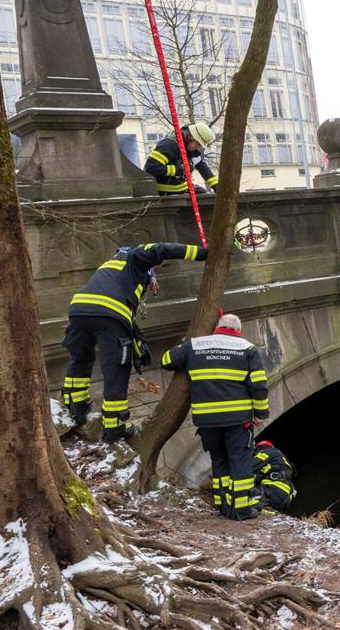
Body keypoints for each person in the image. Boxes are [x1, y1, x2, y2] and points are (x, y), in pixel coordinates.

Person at [63, 242, 207, 442]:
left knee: (80, 359)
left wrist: (135, 334)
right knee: (116, 369)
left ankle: (76, 410)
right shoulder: (134, 257)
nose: (155, 270)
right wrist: (203, 253)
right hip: (109, 314)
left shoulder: (109, 267)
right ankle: (115, 427)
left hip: (78, 311)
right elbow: (161, 249)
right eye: (155, 268)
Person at [160, 314, 268, 521]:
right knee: (240, 462)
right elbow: (258, 385)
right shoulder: (246, 348)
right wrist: (261, 413)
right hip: (238, 419)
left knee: (219, 461)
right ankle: (242, 510)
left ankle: (224, 505)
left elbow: (166, 360)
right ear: (238, 330)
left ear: (218, 327)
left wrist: (185, 345)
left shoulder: (195, 345)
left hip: (207, 420)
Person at [144, 123, 219, 196]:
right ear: (191, 137)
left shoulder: (191, 150)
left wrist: (216, 186)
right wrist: (176, 170)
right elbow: (151, 168)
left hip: (184, 187)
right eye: (198, 144)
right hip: (167, 191)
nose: (198, 148)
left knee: (205, 195)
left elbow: (203, 168)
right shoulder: (169, 145)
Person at [251, 440, 297, 513]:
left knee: (242, 498)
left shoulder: (268, 451)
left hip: (273, 491)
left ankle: (263, 508)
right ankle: (267, 509)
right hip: (285, 497)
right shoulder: (281, 460)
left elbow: (249, 467)